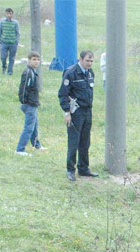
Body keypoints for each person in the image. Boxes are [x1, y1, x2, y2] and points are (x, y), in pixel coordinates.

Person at [58, 50, 98, 182]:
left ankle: (83, 168)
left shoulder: (90, 73)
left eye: (91, 61)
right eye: (87, 60)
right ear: (80, 59)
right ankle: (70, 170)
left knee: (85, 142)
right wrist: (67, 112)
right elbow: (63, 94)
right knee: (74, 142)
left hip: (87, 111)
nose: (89, 63)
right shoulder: (71, 73)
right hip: (76, 112)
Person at [15, 51, 46, 155]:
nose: (36, 61)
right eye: (34, 59)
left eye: (38, 59)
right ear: (29, 60)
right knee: (29, 128)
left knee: (34, 127)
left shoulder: (33, 71)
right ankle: (20, 149)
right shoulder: (28, 72)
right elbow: (24, 89)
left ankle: (36, 145)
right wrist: (24, 102)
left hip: (34, 104)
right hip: (29, 104)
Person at [0, 8, 19, 75]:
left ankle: (10, 72)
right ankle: (4, 67)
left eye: (10, 13)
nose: (9, 15)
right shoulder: (2, 21)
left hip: (13, 43)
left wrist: (17, 41)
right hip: (4, 42)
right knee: (3, 57)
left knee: (12, 58)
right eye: (7, 13)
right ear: (5, 14)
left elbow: (17, 32)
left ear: (12, 14)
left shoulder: (15, 23)